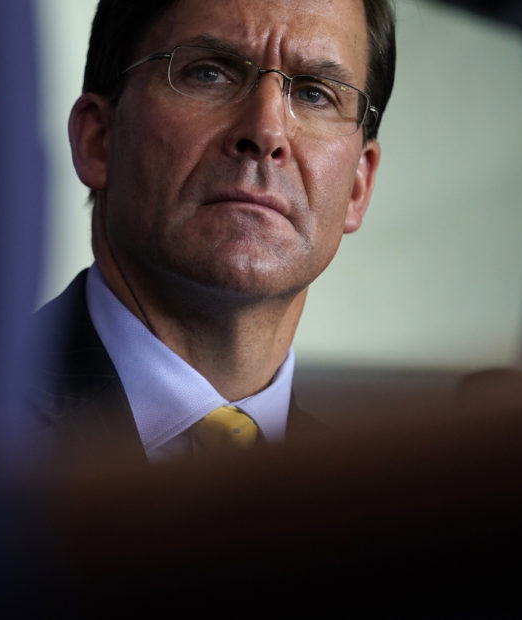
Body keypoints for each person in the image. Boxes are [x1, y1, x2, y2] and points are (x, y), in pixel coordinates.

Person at [29, 0, 395, 462]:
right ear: (98, 140)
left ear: (358, 186)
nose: (266, 131)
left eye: (315, 93)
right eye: (210, 73)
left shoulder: (378, 508)